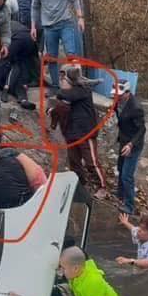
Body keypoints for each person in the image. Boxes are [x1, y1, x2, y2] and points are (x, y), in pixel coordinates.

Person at [52, 68, 106, 198]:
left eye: (63, 79)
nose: (61, 81)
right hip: (71, 134)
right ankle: (80, 185)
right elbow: (61, 106)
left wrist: (60, 91)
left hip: (85, 133)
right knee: (74, 162)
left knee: (91, 162)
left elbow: (64, 95)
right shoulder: (70, 94)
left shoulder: (82, 91)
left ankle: (102, 187)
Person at [30, 0, 84, 90]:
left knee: (71, 53)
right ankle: (55, 86)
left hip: (65, 22)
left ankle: (79, 82)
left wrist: (80, 17)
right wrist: (33, 26)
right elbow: (35, 7)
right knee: (52, 58)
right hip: (49, 27)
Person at [113, 80, 146, 215]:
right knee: (120, 168)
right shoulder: (117, 102)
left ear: (127, 92)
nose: (117, 97)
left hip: (133, 145)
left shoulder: (136, 108)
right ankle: (121, 194)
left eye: (120, 95)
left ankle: (129, 206)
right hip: (123, 140)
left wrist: (131, 145)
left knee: (127, 175)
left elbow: (142, 130)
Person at [5, 19, 39, 108]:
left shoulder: (5, 24)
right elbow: (34, 58)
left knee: (14, 70)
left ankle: (7, 88)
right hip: (30, 39)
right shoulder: (16, 23)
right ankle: (23, 99)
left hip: (17, 41)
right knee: (24, 65)